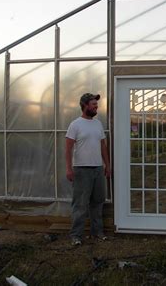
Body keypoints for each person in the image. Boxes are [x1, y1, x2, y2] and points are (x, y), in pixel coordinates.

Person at [66, 93, 111, 246]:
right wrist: (69, 169)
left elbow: (103, 146)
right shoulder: (75, 125)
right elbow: (68, 149)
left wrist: (107, 165)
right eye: (93, 105)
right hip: (81, 170)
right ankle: (76, 235)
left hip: (98, 169)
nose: (96, 107)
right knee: (80, 204)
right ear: (85, 105)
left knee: (97, 202)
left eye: (96, 105)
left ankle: (97, 232)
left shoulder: (98, 124)